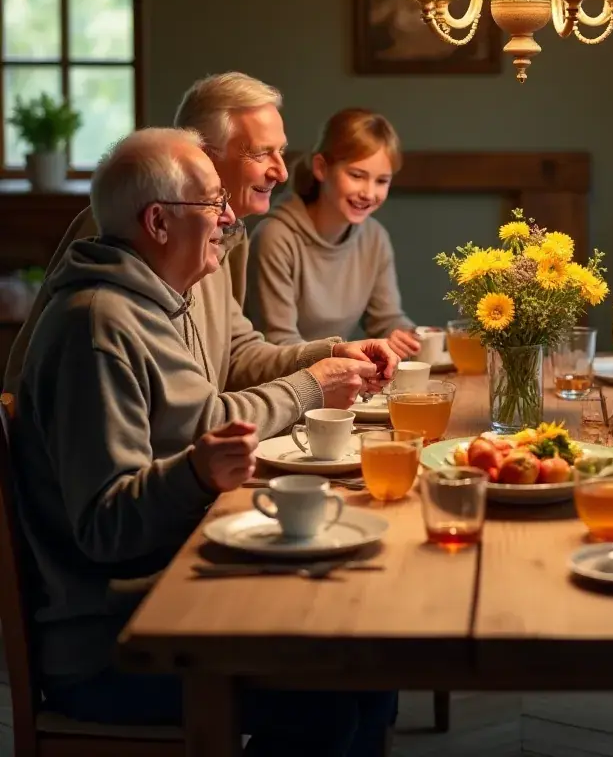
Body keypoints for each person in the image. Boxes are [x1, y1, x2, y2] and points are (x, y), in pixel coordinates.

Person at [13, 129, 394, 754]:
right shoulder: (97, 326)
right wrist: (195, 472)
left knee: (371, 669)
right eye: (211, 205)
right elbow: (104, 528)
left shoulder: (161, 300)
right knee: (330, 698)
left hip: (168, 593)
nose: (227, 218)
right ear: (158, 222)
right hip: (114, 642)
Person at [3, 72, 398, 406]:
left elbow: (238, 354)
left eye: (280, 152)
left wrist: (330, 353)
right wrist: (312, 385)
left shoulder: (222, 235)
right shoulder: (129, 226)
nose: (281, 171)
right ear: (203, 154)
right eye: (262, 154)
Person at [247, 108, 420, 357]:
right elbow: (278, 342)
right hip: (279, 385)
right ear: (321, 168)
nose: (369, 193)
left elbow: (386, 319)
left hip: (335, 378)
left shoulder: (375, 237)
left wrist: (401, 334)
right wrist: (340, 356)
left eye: (381, 181)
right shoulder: (275, 237)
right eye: (357, 175)